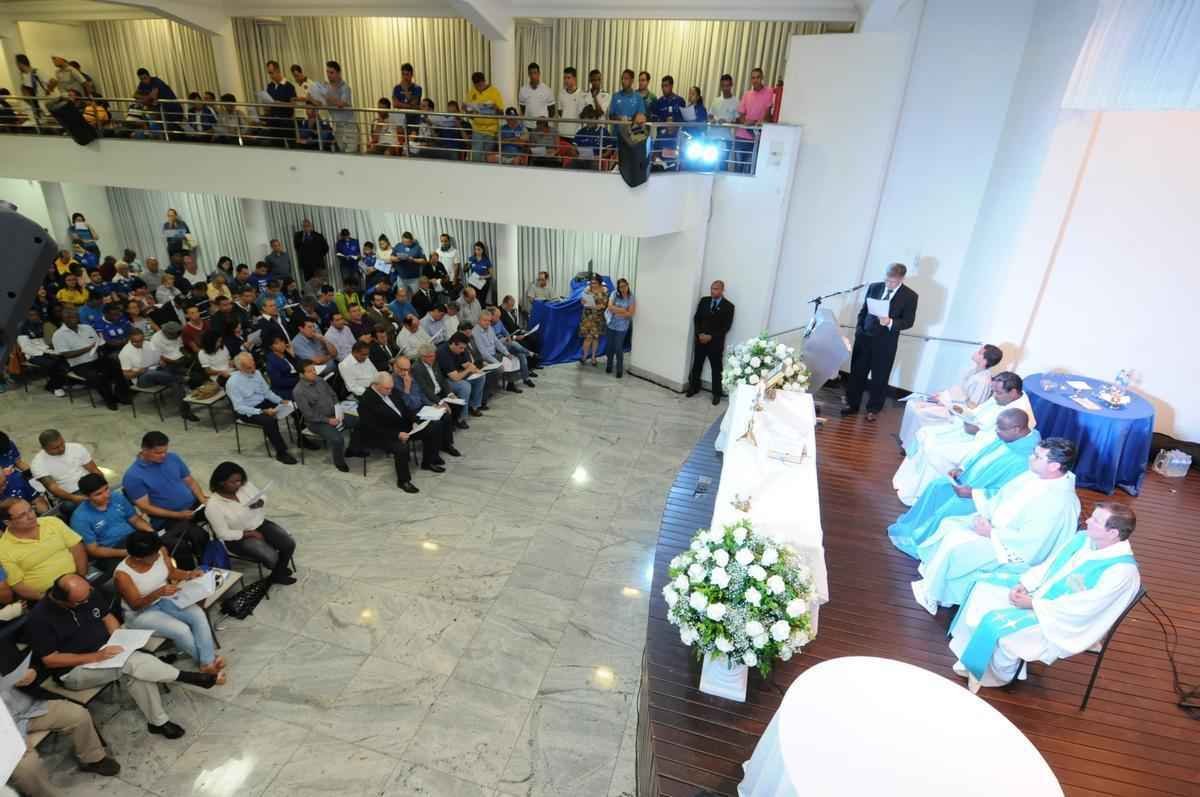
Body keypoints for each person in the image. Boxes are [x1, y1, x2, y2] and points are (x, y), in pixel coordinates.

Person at [948, 503, 1140, 693]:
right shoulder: (1084, 539)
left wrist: (1034, 604)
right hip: (1041, 595)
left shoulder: (1121, 571)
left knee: (997, 625)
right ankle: (972, 652)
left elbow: (1085, 608)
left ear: (1113, 533)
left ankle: (1000, 674)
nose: (1088, 521)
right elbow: (1051, 565)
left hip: (1061, 621)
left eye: (1096, 520)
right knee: (983, 587)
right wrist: (1025, 584)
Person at [30, 574, 220, 741]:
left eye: (88, 594)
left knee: (137, 671)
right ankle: (185, 677)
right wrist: (95, 656)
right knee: (130, 664)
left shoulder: (88, 593)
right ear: (64, 601)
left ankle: (159, 722)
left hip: (108, 651)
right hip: (75, 670)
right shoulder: (39, 619)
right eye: (81, 601)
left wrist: (120, 638)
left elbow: (107, 618)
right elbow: (50, 660)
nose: (87, 600)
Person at [911, 437, 1081, 615]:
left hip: (1016, 549)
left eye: (1037, 456)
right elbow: (1004, 496)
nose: (1030, 458)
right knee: (950, 524)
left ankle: (934, 593)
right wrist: (986, 516)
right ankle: (936, 579)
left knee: (956, 544)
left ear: (1054, 466)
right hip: (998, 528)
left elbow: (1034, 541)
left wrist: (992, 533)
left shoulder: (1058, 502)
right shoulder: (1036, 475)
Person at [889, 409, 1040, 558]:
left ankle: (920, 542)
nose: (996, 431)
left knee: (946, 510)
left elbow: (1010, 492)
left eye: (1001, 429)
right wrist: (962, 469)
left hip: (982, 499)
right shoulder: (1011, 438)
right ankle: (912, 527)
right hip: (967, 481)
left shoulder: (1028, 459)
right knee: (936, 486)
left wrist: (973, 493)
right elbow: (982, 454)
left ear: (1016, 429)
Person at [894, 371, 1036, 506]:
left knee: (934, 450)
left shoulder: (1018, 413)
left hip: (980, 446)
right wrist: (965, 416)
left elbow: (994, 439)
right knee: (925, 433)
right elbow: (978, 413)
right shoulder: (1004, 398)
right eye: (993, 391)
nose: (994, 396)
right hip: (969, 431)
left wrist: (973, 428)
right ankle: (908, 482)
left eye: (998, 393)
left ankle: (921, 494)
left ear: (1013, 392)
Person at [2, 640, 122, 795]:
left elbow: (27, 665)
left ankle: (93, 759)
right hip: (4, 727)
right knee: (27, 767)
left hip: (29, 706)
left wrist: (32, 673)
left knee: (78, 715)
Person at [113, 532, 224, 673]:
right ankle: (209, 662)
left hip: (165, 599)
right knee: (181, 630)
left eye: (157, 552)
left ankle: (207, 663)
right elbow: (135, 604)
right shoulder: (122, 575)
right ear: (138, 558)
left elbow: (171, 572)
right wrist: (158, 592)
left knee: (198, 615)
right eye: (152, 556)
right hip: (140, 612)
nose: (157, 557)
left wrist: (189, 574)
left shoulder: (159, 550)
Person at [121, 432, 211, 569]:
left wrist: (202, 499)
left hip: (194, 506)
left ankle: (215, 556)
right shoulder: (133, 476)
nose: (164, 455)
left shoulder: (173, 458)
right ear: (144, 449)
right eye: (158, 453)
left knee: (222, 508)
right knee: (197, 536)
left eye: (165, 451)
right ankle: (195, 571)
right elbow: (146, 507)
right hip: (168, 518)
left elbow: (190, 482)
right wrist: (178, 515)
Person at [842, 263, 919, 421]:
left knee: (880, 376)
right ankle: (852, 404)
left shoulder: (910, 296)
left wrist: (890, 322)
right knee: (857, 373)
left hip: (886, 342)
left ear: (901, 279)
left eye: (892, 282)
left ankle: (873, 409)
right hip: (864, 338)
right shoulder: (874, 287)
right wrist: (859, 330)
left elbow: (908, 321)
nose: (888, 284)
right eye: (887, 280)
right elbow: (863, 311)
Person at [205, 462, 297, 585]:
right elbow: (222, 534)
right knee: (271, 556)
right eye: (233, 482)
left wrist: (260, 502)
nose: (238, 484)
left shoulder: (245, 486)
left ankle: (277, 572)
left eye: (239, 480)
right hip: (238, 539)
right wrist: (248, 534)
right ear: (221, 482)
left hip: (260, 524)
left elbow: (262, 496)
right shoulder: (213, 506)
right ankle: (278, 571)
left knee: (288, 544)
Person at [899, 344, 1003, 452]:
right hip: (951, 404)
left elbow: (973, 406)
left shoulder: (983, 381)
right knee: (912, 403)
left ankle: (913, 447)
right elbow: (958, 391)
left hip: (957, 413)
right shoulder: (973, 371)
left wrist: (946, 402)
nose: (976, 352)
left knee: (920, 412)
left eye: (979, 352)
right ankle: (906, 441)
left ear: (984, 360)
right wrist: (942, 396)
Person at [356, 372, 433, 493]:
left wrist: (414, 421)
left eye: (391, 388)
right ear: (376, 385)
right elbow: (371, 427)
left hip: (402, 426)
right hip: (383, 434)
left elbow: (405, 409)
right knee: (401, 448)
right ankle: (403, 481)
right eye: (387, 389)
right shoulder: (366, 401)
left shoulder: (391, 390)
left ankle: (428, 462)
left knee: (432, 427)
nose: (390, 391)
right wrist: (397, 435)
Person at [0, 500, 87, 600]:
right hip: (48, 597)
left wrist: (81, 579)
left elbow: (77, 548)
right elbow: (18, 585)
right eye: (22, 515)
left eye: (30, 510)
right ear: (8, 522)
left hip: (79, 581)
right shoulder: (3, 549)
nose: (31, 516)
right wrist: (50, 600)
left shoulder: (52, 522)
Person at [52, 305, 129, 410]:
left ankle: (122, 396)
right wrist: (87, 349)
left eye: (75, 316)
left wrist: (100, 345)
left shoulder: (87, 328)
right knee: (98, 377)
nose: (72, 319)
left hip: (96, 359)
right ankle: (110, 400)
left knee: (116, 366)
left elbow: (98, 341)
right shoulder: (58, 334)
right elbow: (66, 354)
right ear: (63, 319)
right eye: (69, 317)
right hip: (79, 364)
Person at [226, 353, 298, 464]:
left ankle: (302, 438)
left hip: (262, 402)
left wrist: (281, 401)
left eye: (253, 364)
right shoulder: (233, 383)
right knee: (269, 421)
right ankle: (281, 452)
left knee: (293, 405)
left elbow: (267, 393)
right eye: (249, 368)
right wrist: (262, 411)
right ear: (240, 368)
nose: (253, 369)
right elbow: (239, 407)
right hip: (247, 411)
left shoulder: (257, 373)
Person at [119, 328, 200, 421]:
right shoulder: (125, 353)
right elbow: (126, 375)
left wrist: (161, 360)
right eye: (136, 342)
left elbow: (158, 355)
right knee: (151, 373)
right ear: (130, 339)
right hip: (142, 378)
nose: (140, 343)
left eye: (141, 340)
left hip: (158, 371)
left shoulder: (148, 344)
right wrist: (139, 371)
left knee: (175, 381)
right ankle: (183, 378)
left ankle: (186, 412)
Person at [391, 355, 460, 456]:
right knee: (435, 423)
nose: (405, 372)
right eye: (402, 369)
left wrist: (432, 405)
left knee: (445, 415)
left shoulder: (410, 376)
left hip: (422, 408)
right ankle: (433, 454)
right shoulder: (392, 382)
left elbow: (421, 394)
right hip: (410, 413)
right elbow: (406, 405)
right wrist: (407, 388)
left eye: (408, 369)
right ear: (395, 367)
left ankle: (447, 445)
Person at [686, 281, 735, 404]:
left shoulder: (729, 306)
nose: (713, 291)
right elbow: (697, 319)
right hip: (700, 340)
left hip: (715, 344)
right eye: (712, 288)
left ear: (722, 290)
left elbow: (726, 327)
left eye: (716, 289)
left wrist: (711, 336)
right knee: (697, 365)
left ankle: (716, 393)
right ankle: (694, 387)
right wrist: (699, 334)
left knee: (717, 369)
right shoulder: (704, 301)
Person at [30, 430, 101, 507]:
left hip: (88, 485)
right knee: (70, 506)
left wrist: (103, 485)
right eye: (55, 448)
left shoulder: (76, 448)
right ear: (44, 448)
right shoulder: (38, 463)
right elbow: (53, 488)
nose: (61, 448)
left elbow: (94, 470)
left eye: (62, 444)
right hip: (67, 494)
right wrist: (75, 498)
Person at [413, 343, 468, 429]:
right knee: (445, 409)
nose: (432, 358)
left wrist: (450, 393)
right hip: (431, 396)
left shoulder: (434, 363)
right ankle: (448, 426)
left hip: (441, 392)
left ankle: (454, 422)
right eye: (430, 356)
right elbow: (425, 389)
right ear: (422, 357)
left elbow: (442, 380)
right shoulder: (417, 368)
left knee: (458, 402)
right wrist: (440, 402)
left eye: (433, 356)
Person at [733, 67, 774, 171]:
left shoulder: (769, 92)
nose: (755, 80)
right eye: (753, 78)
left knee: (749, 170)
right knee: (737, 168)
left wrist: (755, 123)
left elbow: (768, 114)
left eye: (758, 77)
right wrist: (747, 123)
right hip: (741, 136)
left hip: (756, 137)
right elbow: (741, 114)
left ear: (762, 78)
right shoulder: (747, 94)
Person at [437, 333, 485, 418]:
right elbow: (455, 378)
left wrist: (476, 370)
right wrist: (469, 370)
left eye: (464, 348)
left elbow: (466, 363)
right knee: (465, 386)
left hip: (457, 373)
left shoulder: (460, 349)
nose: (463, 350)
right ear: (453, 344)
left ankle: (474, 406)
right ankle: (462, 416)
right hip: (445, 380)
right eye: (461, 348)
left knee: (480, 377)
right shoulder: (443, 353)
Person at [316, 60, 357, 153]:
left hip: (348, 125)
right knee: (341, 152)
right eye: (327, 72)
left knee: (351, 153)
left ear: (338, 73)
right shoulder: (326, 87)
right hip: (337, 125)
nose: (328, 75)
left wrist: (327, 95)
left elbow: (341, 104)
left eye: (331, 72)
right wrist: (312, 95)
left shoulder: (345, 87)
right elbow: (320, 103)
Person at [465, 71, 504, 162]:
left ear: (484, 81)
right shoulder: (472, 92)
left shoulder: (494, 92)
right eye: (476, 86)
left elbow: (501, 113)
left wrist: (495, 107)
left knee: (487, 158)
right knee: (476, 157)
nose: (479, 88)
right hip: (477, 130)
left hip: (491, 131)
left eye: (480, 85)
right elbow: (471, 116)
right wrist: (467, 110)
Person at [576, 275, 609, 367]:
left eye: (595, 283)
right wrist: (583, 302)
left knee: (595, 338)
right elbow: (582, 301)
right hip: (587, 317)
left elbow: (604, 305)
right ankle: (584, 356)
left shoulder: (604, 291)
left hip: (598, 317)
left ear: (600, 283)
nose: (592, 285)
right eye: (591, 283)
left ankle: (593, 357)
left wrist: (596, 306)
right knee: (588, 337)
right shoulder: (587, 290)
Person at [605, 278, 636, 378]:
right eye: (620, 287)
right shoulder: (614, 294)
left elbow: (630, 313)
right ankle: (609, 365)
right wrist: (623, 310)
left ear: (627, 285)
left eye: (624, 286)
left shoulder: (631, 297)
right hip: (611, 324)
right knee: (609, 346)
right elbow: (610, 307)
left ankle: (619, 369)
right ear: (618, 287)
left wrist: (617, 310)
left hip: (622, 327)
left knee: (618, 347)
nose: (623, 288)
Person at [263, 60, 297, 145]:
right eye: (269, 73)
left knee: (289, 146)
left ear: (278, 71)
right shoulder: (270, 86)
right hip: (273, 122)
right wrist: (266, 106)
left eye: (272, 73)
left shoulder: (289, 86)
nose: (270, 76)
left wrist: (280, 103)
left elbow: (293, 105)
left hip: (285, 123)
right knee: (275, 146)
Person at [710, 73, 739, 168]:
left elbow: (738, 120)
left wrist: (727, 122)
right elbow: (710, 115)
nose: (725, 88)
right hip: (713, 137)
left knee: (723, 165)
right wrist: (712, 120)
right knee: (709, 164)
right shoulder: (716, 100)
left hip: (726, 138)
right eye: (723, 86)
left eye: (727, 86)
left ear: (731, 85)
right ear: (720, 86)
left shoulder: (736, 101)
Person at [557, 66, 589, 142]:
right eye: (564, 78)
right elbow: (560, 111)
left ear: (574, 79)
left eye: (568, 78)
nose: (566, 80)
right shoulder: (561, 93)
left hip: (576, 133)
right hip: (562, 132)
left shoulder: (582, 94)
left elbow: (583, 115)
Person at [393, 232, 427, 297]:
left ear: (412, 240)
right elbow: (391, 257)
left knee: (416, 297)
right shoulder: (398, 246)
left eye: (408, 242)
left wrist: (413, 260)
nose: (406, 244)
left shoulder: (417, 247)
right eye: (404, 242)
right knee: (402, 296)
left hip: (414, 278)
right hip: (401, 278)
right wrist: (398, 258)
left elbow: (424, 261)